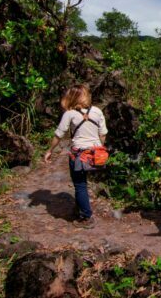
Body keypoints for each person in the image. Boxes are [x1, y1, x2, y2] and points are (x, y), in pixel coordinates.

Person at [44, 84, 108, 229]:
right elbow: (103, 133)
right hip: (95, 153)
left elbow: (59, 134)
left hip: (79, 154)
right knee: (83, 184)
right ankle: (80, 210)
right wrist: (98, 146)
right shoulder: (97, 111)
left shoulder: (70, 114)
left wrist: (50, 150)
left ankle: (86, 216)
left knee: (80, 185)